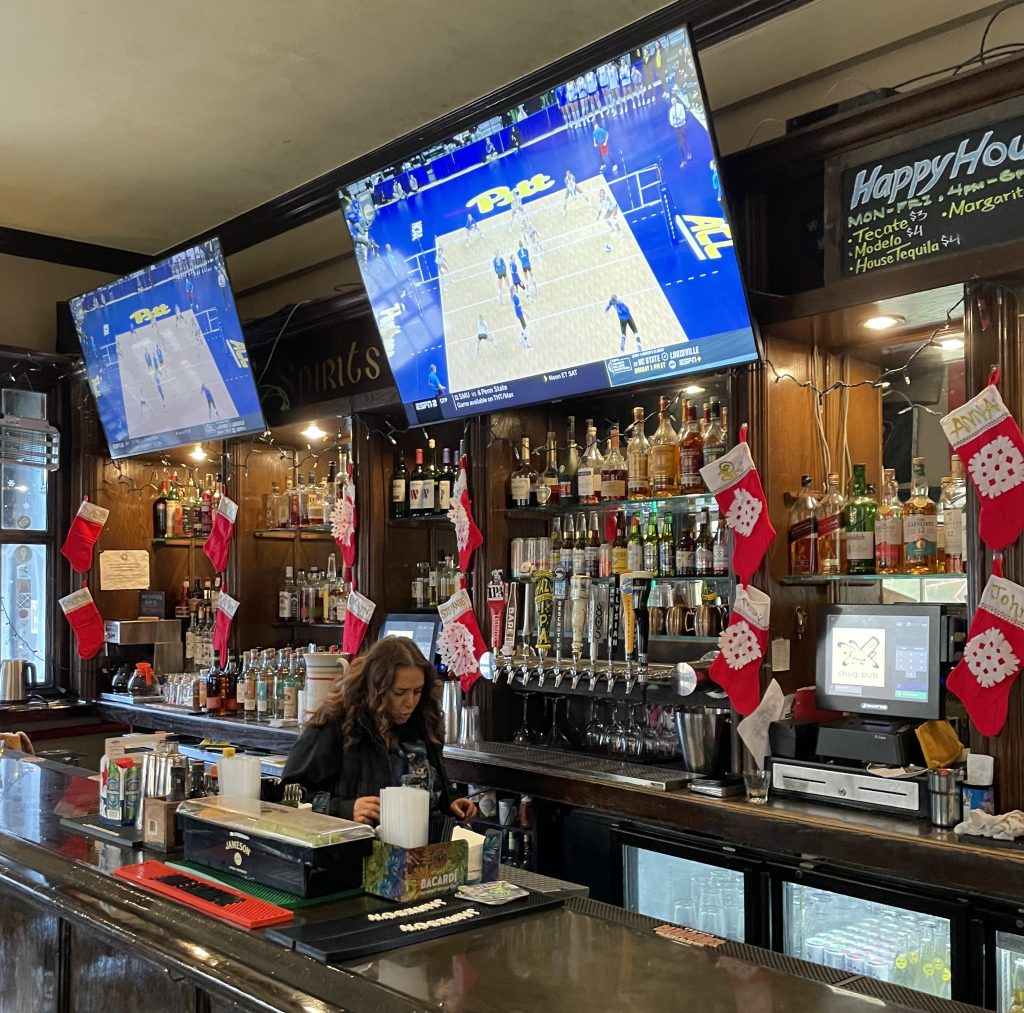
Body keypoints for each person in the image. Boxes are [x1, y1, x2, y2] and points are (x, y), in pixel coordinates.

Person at [281, 638, 478, 823]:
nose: (410, 703)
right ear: (375, 688)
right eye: (399, 693)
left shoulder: (423, 719)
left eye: (417, 691)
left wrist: (450, 800)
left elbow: (429, 783)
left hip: (425, 848)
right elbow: (288, 796)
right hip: (362, 849)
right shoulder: (335, 724)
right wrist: (344, 809)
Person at [670, 95, 691, 166]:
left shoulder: (681, 106)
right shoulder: (671, 110)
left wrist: (677, 120)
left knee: (685, 141)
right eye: (672, 101)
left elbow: (683, 117)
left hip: (683, 127)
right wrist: (676, 123)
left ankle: (689, 152)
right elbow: (671, 122)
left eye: (674, 101)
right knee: (680, 145)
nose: (673, 102)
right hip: (677, 129)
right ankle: (683, 160)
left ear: (676, 100)